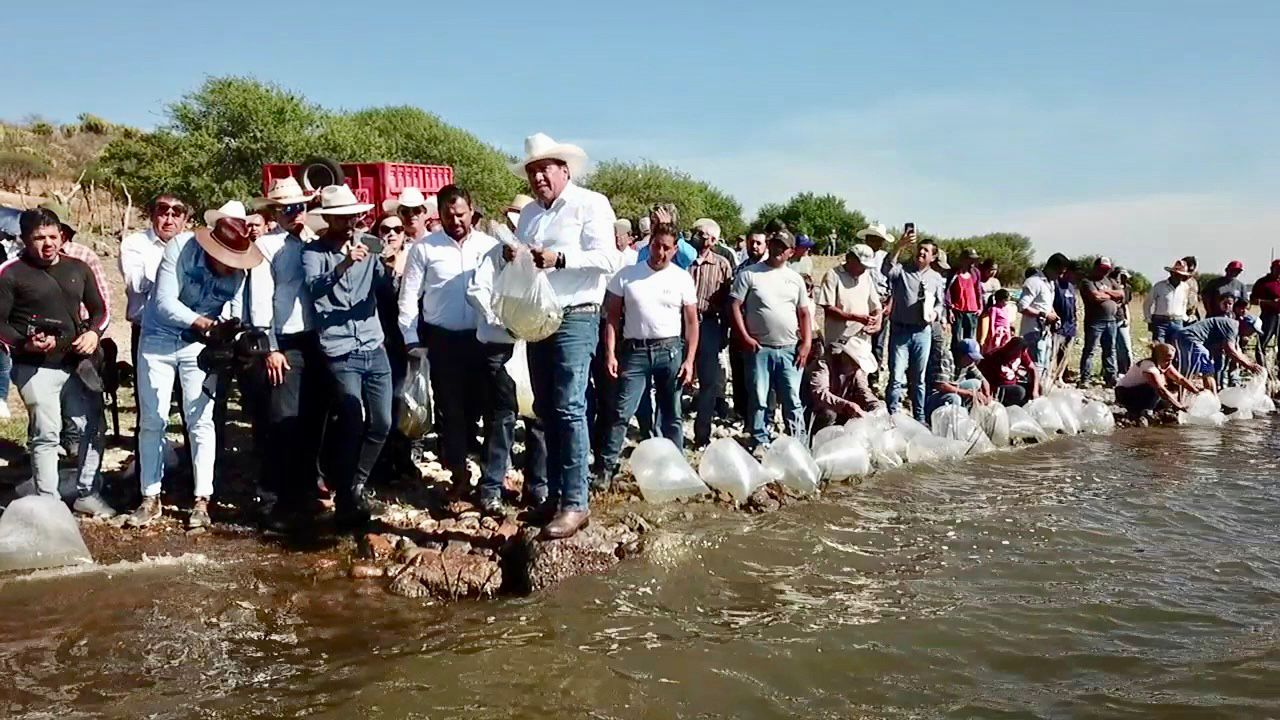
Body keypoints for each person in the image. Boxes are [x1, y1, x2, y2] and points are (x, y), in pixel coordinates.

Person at [509, 133, 621, 539]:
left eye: (545, 168)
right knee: (546, 407)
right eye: (532, 170)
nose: (538, 176)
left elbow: (610, 258)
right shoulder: (528, 217)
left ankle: (576, 502)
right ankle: (556, 497)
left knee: (570, 406)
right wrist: (516, 257)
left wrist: (562, 258)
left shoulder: (591, 203)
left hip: (577, 314)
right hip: (540, 316)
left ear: (564, 170)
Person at [127, 216, 262, 529]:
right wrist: (205, 324)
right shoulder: (180, 248)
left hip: (199, 346)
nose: (231, 267)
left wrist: (230, 333)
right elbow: (163, 303)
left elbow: (233, 309)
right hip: (158, 339)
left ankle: (202, 499)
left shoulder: (239, 275)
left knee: (200, 419)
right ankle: (150, 496)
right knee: (153, 419)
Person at [398, 185, 513, 512]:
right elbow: (409, 298)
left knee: (493, 409)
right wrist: (410, 338)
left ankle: (492, 480)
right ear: (439, 214)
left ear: (471, 210)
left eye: (461, 214)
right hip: (443, 340)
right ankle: (459, 474)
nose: (456, 221)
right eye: (448, 216)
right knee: (452, 412)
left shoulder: (491, 247)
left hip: (485, 340)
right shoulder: (424, 249)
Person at [0, 209, 111, 515]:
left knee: (92, 427)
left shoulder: (79, 268)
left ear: (62, 236)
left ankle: (88, 492)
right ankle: (50, 504)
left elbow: (101, 310)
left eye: (53, 236)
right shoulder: (10, 273)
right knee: (46, 433)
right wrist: (26, 343)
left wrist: (93, 334)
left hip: (78, 362)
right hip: (34, 367)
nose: (48, 244)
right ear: (24, 239)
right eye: (39, 238)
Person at [302, 185, 393, 529]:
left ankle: (356, 482)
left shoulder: (369, 243)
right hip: (339, 348)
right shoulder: (314, 252)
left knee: (382, 421)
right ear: (327, 217)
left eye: (351, 214)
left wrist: (389, 265)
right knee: (352, 420)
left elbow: (384, 289)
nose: (347, 220)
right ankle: (345, 496)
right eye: (339, 215)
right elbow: (314, 288)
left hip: (373, 344)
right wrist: (343, 264)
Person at [244, 184, 328, 529]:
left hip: (316, 338)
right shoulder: (265, 245)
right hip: (286, 340)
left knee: (312, 419)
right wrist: (271, 347)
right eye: (286, 209)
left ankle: (304, 489)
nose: (294, 214)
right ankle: (271, 498)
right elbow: (261, 299)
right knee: (282, 419)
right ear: (275, 213)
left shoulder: (313, 240)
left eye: (298, 208)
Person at [595, 225, 698, 481]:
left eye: (666, 248)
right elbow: (612, 319)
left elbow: (692, 322)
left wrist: (689, 360)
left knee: (672, 413)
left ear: (675, 250)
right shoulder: (627, 275)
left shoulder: (682, 278)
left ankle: (677, 468)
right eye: (656, 245)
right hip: (635, 351)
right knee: (621, 412)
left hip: (670, 351)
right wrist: (610, 353)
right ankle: (606, 468)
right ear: (648, 244)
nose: (659, 252)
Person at [730, 231, 813, 447]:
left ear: (790, 252)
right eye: (774, 245)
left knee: (792, 399)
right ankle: (760, 440)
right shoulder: (749, 274)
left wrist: (806, 343)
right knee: (759, 398)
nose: (777, 250)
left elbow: (804, 313)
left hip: (789, 349)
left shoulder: (795, 279)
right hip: (759, 349)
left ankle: (798, 442)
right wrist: (745, 337)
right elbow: (735, 306)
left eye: (782, 247)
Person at [880, 228, 946, 423]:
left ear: (933, 257)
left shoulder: (935, 278)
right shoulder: (902, 270)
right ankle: (892, 417)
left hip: (922, 332)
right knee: (896, 377)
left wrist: (936, 313)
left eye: (926, 251)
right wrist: (899, 246)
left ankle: (920, 418)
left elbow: (940, 303)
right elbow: (886, 269)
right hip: (900, 330)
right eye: (920, 249)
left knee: (919, 379)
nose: (922, 252)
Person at [120, 193, 190, 366]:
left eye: (176, 215)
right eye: (163, 213)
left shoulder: (192, 245)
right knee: (148, 392)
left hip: (186, 330)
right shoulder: (134, 244)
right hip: (148, 331)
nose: (169, 221)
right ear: (152, 215)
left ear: (185, 219)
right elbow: (137, 284)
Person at [687, 219, 735, 447]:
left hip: (708, 324)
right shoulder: (683, 259)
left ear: (714, 240)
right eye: (696, 233)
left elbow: (728, 301)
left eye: (702, 234)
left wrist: (723, 330)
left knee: (708, 382)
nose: (697, 236)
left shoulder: (723, 265)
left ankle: (702, 435)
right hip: (681, 324)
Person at [1170, 295, 1263, 392]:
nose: (1251, 334)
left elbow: (1236, 351)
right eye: (1252, 330)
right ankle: (1184, 399)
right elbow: (1230, 350)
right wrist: (1249, 366)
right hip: (1189, 338)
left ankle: (1209, 397)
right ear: (1245, 324)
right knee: (1194, 371)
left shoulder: (1234, 332)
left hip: (1188, 339)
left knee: (1205, 370)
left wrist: (1250, 364)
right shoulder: (1233, 326)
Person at [729, 231, 769, 420]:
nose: (754, 246)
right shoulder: (740, 270)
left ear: (765, 245)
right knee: (740, 372)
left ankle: (764, 416)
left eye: (758, 243)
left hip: (764, 331)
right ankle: (741, 412)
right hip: (740, 328)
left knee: (762, 376)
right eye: (751, 242)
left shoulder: (771, 269)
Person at [804, 339, 881, 432]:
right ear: (845, 356)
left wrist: (874, 404)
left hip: (841, 407)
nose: (856, 367)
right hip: (815, 409)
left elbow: (863, 390)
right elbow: (820, 393)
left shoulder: (856, 370)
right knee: (829, 414)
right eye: (854, 363)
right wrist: (846, 405)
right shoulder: (823, 364)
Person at [1115, 342, 1198, 417]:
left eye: (1171, 360)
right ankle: (1144, 412)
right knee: (1157, 389)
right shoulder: (1149, 367)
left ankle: (1152, 408)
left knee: (1169, 397)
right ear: (1159, 356)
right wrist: (1179, 405)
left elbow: (1180, 379)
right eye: (1167, 360)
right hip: (1124, 393)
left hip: (1141, 392)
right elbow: (1160, 389)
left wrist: (1196, 391)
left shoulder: (1164, 363)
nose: (1169, 363)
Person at [1017, 253, 1067, 377]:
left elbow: (1047, 304)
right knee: (1034, 366)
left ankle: (1039, 391)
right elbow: (1022, 306)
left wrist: (1054, 315)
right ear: (1052, 267)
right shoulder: (1034, 282)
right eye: (1059, 272)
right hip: (1032, 332)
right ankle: (1031, 392)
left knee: (1044, 365)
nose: (1060, 276)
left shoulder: (1050, 284)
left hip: (1045, 332)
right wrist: (1043, 314)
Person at [1078, 256, 1124, 386]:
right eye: (1102, 268)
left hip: (1111, 321)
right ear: (1096, 267)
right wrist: (1111, 296)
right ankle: (1085, 378)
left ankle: (1110, 378)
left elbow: (1122, 294)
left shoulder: (1110, 281)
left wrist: (1107, 292)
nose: (1104, 271)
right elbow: (1096, 296)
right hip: (1095, 321)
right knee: (1090, 350)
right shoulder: (1088, 281)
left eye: (1107, 269)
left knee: (1110, 350)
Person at [855, 223, 893, 376]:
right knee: (860, 340)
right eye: (872, 238)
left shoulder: (886, 258)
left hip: (882, 302)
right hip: (863, 303)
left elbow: (894, 283)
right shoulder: (858, 255)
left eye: (878, 239)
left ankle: (874, 377)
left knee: (878, 342)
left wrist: (890, 304)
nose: (875, 242)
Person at [924, 336, 991, 419]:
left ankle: (967, 415)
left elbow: (983, 380)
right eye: (969, 358)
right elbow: (941, 386)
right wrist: (969, 393)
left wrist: (987, 395)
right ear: (960, 354)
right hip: (935, 396)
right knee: (954, 398)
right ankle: (951, 423)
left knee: (976, 383)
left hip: (954, 388)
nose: (971, 361)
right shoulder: (945, 358)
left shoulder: (968, 363)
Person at [978, 336, 1040, 407]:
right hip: (998, 388)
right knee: (1020, 391)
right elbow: (983, 376)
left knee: (1037, 387)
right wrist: (988, 394)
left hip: (1013, 384)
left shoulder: (1021, 354)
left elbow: (1033, 369)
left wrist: (1035, 391)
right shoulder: (993, 356)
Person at [1144, 260, 1192, 343]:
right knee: (1160, 348)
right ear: (1172, 273)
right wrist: (1148, 319)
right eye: (1177, 274)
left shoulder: (1185, 287)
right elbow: (1147, 303)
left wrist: (1185, 318)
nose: (1179, 277)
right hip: (1160, 322)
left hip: (1177, 322)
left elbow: (1184, 303)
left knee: (1176, 348)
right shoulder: (1159, 286)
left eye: (1181, 275)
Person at [637, 204, 695, 269]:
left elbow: (691, 257)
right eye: (652, 222)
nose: (653, 226)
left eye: (658, 223)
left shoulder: (680, 247)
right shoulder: (644, 250)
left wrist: (669, 230)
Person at [946, 248, 983, 343]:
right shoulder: (954, 273)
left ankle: (967, 357)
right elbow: (948, 290)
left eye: (974, 259)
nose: (972, 262)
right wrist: (949, 309)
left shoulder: (976, 273)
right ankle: (957, 357)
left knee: (969, 339)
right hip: (957, 310)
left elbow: (978, 290)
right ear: (963, 259)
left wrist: (980, 307)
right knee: (957, 338)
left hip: (972, 310)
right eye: (970, 259)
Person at [1249, 259, 1280, 372]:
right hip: (1268, 315)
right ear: (1272, 269)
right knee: (1262, 343)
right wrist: (1269, 302)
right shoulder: (1263, 283)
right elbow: (1253, 300)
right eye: (1277, 269)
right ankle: (1262, 368)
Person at [1112, 267, 1134, 374]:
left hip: (1121, 319)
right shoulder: (1110, 286)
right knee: (1112, 347)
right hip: (1110, 319)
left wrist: (1128, 318)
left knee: (1126, 347)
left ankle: (1127, 370)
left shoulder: (1127, 288)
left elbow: (1126, 305)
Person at [978, 288, 1014, 353]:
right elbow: (992, 321)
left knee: (1005, 346)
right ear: (999, 300)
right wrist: (992, 332)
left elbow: (1007, 321)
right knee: (996, 346)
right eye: (1005, 301)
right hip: (998, 331)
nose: (1007, 303)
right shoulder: (994, 309)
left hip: (1005, 331)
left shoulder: (1006, 309)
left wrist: (1009, 330)